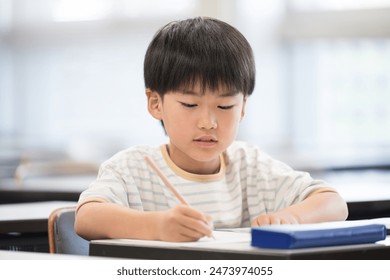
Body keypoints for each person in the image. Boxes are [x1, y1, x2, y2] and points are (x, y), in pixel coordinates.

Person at [74, 17, 348, 242]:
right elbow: (87, 218)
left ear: (242, 108)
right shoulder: (132, 169)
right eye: (190, 104)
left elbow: (333, 203)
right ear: (156, 103)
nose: (208, 122)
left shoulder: (250, 167)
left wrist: (291, 218)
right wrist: (155, 226)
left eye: (226, 106)